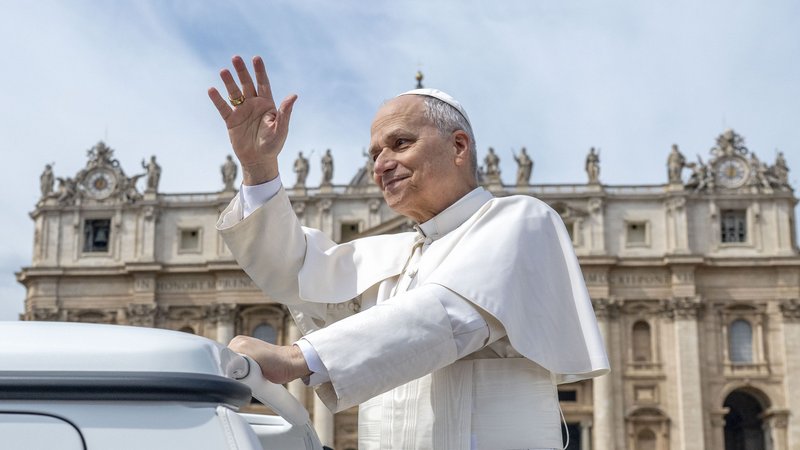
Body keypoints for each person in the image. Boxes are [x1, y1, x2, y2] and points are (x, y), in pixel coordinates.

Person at [209, 55, 609, 450]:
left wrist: (297, 358)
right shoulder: (395, 254)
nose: (381, 163)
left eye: (400, 143)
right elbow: (296, 274)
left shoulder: (522, 219)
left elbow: (449, 316)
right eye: (374, 154)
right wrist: (259, 169)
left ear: (458, 146)